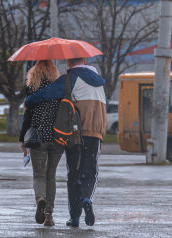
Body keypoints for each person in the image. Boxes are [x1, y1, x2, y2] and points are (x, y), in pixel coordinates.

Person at [24, 58, 106, 227]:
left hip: (75, 131)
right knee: (91, 170)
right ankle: (87, 199)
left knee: (73, 173)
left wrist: (28, 101)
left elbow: (47, 93)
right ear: (85, 60)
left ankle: (74, 217)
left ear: (69, 62)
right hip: (96, 131)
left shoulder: (70, 79)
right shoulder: (98, 80)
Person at [19, 60, 64, 226]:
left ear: (34, 72)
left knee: (39, 174)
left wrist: (22, 139)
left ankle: (40, 199)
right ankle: (49, 215)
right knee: (51, 175)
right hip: (58, 138)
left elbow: (27, 118)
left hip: (37, 137)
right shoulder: (60, 89)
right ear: (54, 72)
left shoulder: (32, 90)